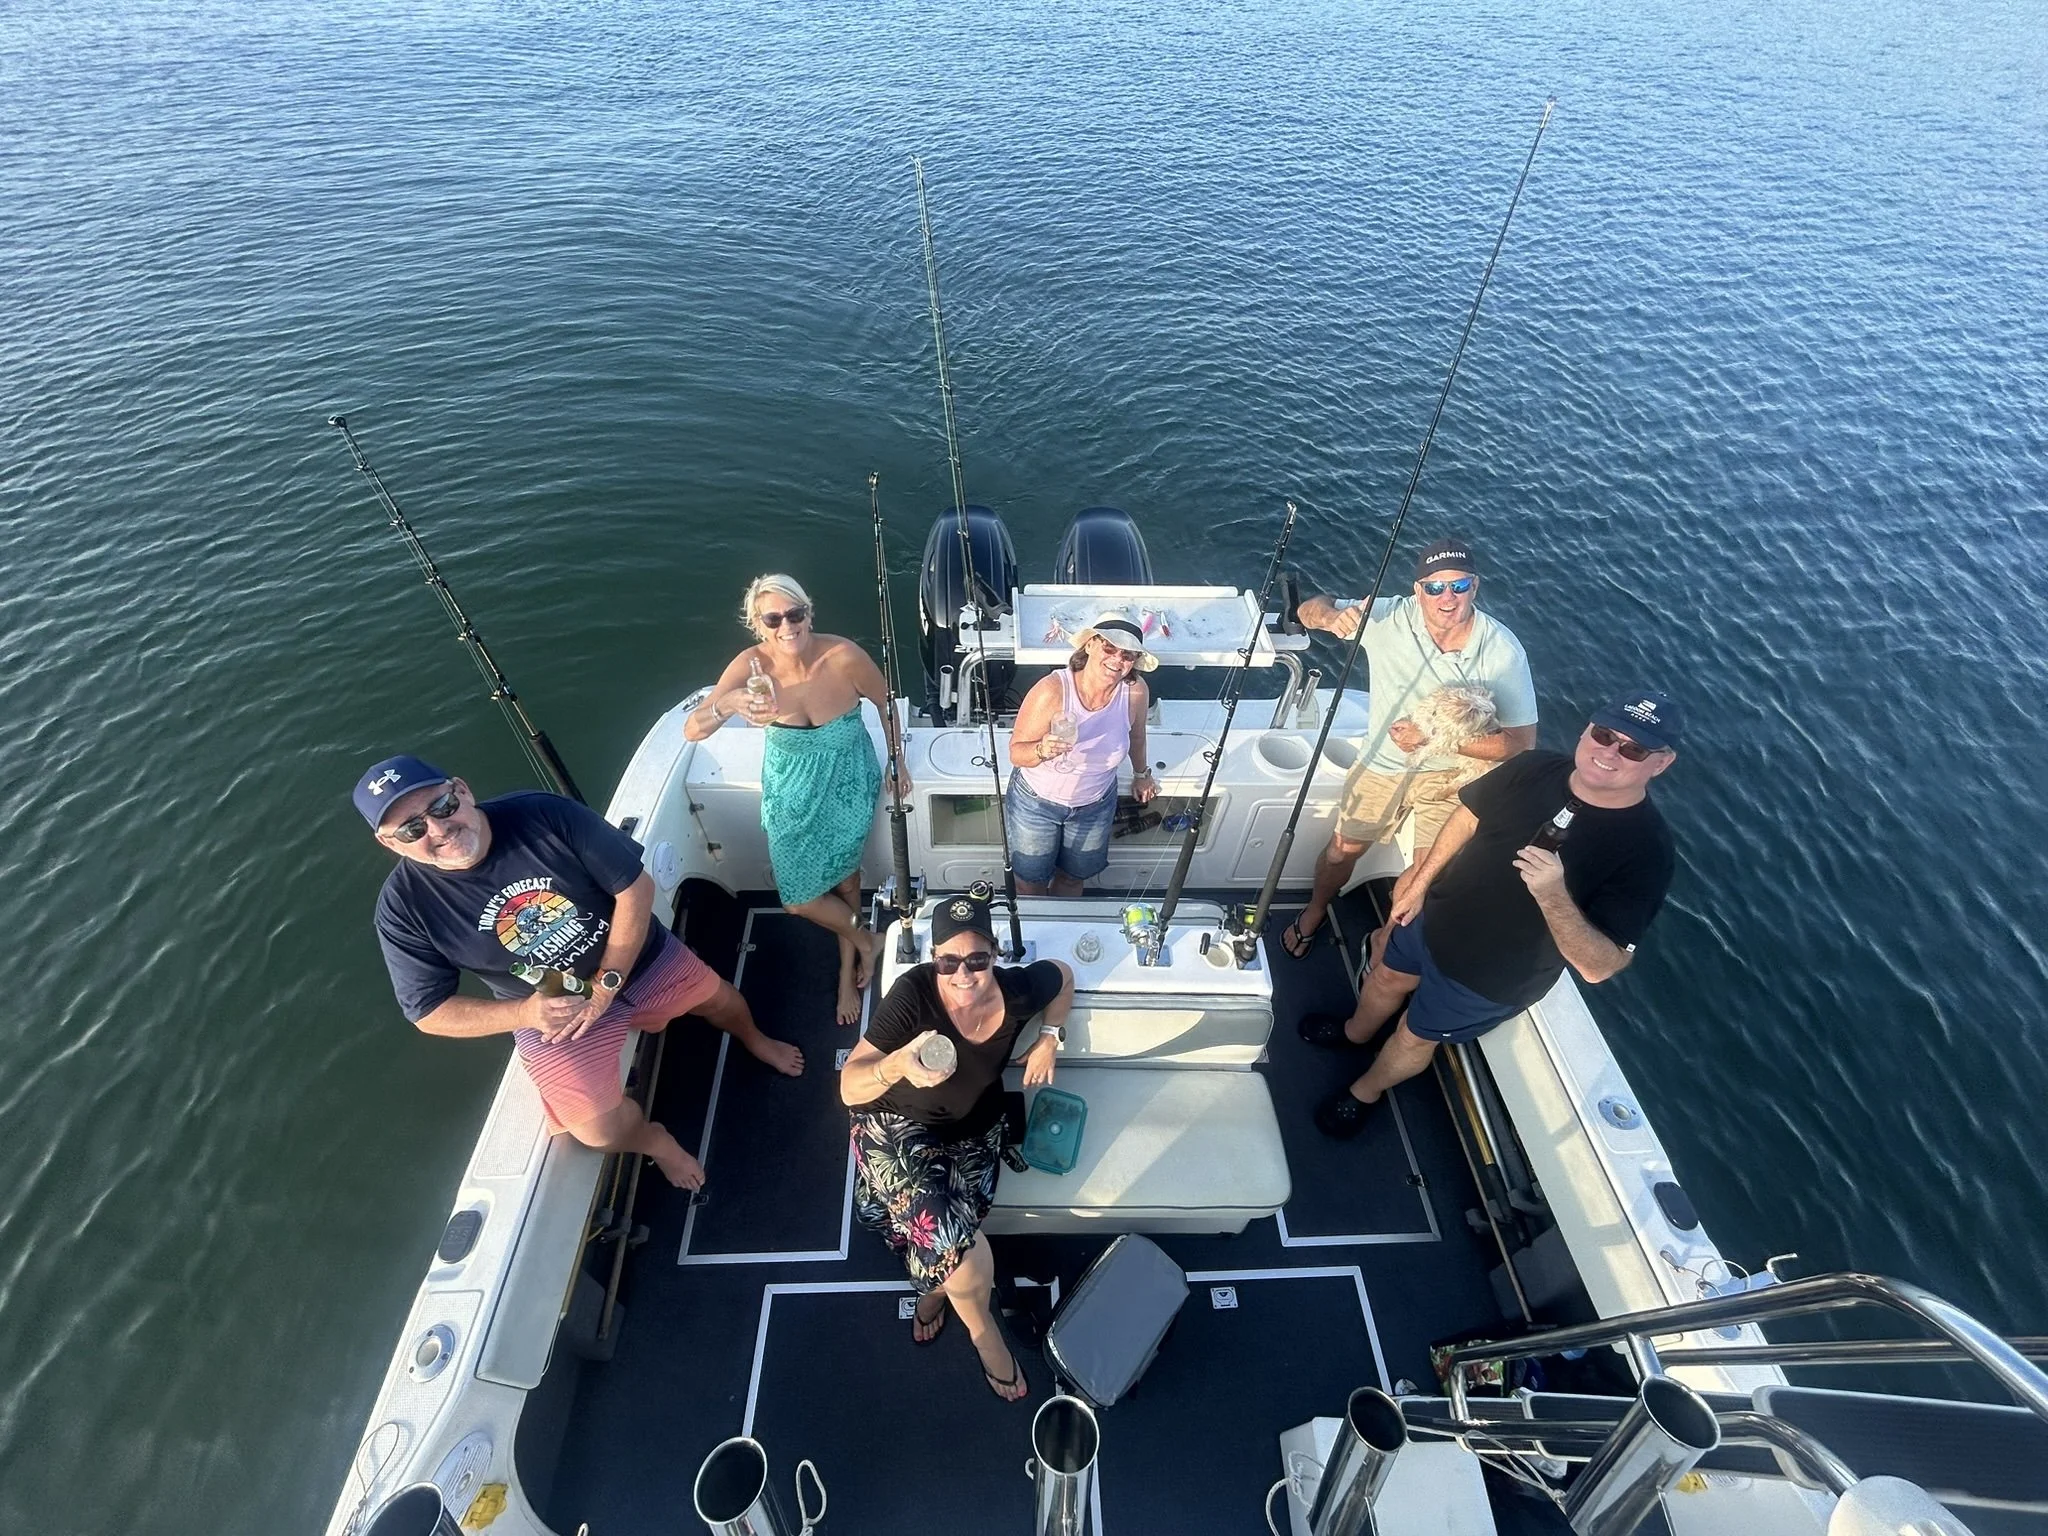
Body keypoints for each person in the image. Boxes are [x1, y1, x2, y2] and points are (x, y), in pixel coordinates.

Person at [361, 756, 803, 1189]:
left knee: (717, 998)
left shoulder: (542, 813)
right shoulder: (402, 908)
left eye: (441, 807)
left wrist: (607, 982)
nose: (438, 828)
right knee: (597, 1131)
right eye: (412, 829)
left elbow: (635, 888)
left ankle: (755, 1039)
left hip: (634, 954)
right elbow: (428, 1011)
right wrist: (527, 1014)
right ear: (390, 843)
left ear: (461, 790)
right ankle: (654, 1140)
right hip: (548, 1003)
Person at [1309, 692, 1682, 1138]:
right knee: (1385, 975)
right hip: (1437, 917)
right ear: (1587, 731)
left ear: (1661, 763)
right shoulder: (1535, 767)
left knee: (1413, 1033)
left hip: (1492, 978)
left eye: (1633, 748)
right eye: (1604, 735)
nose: (1609, 752)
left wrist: (1552, 894)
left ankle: (1363, 1092)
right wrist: (1422, 879)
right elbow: (1468, 814)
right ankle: (1354, 1033)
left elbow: (1601, 966)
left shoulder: (1648, 851)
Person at [839, 888, 1074, 1402]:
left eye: (976, 959)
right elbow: (850, 1087)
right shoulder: (913, 996)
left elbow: (1061, 973)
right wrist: (896, 1065)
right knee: (952, 1240)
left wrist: (1050, 1036)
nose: (963, 974)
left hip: (975, 1131)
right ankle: (985, 1336)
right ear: (934, 959)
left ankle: (930, 1292)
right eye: (949, 961)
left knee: (939, 1240)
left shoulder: (1014, 994)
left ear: (994, 955)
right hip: (898, 1126)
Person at [1283, 536, 1538, 958]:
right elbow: (1307, 610)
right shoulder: (1387, 616)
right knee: (1341, 850)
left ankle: (1382, 945)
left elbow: (1521, 743)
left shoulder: (1503, 652)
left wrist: (1435, 739)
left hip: (1451, 775)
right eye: (1435, 587)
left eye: (1459, 586)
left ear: (1475, 587)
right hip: (1382, 763)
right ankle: (1315, 910)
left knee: (1423, 874)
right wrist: (1330, 616)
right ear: (1417, 590)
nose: (1447, 597)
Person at [685, 574, 909, 1025]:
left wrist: (896, 763)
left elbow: (886, 705)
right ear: (758, 624)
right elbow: (693, 729)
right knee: (800, 898)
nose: (787, 625)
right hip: (790, 794)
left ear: (809, 612)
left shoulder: (843, 656)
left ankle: (849, 968)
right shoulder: (751, 668)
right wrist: (728, 704)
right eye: (774, 618)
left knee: (847, 884)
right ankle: (867, 940)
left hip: (847, 780)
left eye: (795, 613)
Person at [1004, 611, 1159, 896]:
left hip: (1095, 805)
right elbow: (1016, 753)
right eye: (1109, 648)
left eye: (1127, 655)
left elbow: (1137, 736)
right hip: (1036, 803)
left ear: (1134, 662)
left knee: (1075, 878)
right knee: (1030, 881)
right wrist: (1041, 749)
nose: (1117, 660)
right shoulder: (1051, 690)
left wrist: (1141, 775)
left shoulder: (1135, 691)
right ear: (1089, 645)